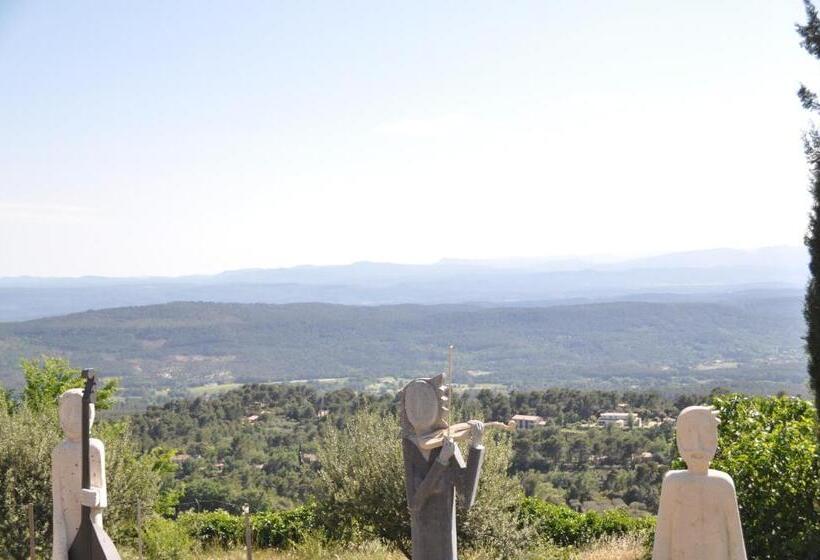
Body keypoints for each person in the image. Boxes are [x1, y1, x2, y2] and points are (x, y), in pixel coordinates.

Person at [400, 374, 485, 560]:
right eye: (412, 402)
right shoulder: (409, 445)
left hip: (444, 536)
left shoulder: (447, 444)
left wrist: (476, 445)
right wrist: (441, 462)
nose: (418, 409)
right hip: (421, 536)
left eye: (425, 401)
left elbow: (466, 498)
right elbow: (414, 503)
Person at [652, 406, 747, 560]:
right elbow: (662, 541)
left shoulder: (723, 485)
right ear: (679, 440)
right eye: (689, 435)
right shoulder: (672, 484)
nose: (698, 446)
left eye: (706, 435)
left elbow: (736, 542)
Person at [52, 388, 109, 560]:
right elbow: (57, 501)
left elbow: (102, 492)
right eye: (66, 412)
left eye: (77, 412)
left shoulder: (95, 448)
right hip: (67, 523)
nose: (71, 419)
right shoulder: (58, 452)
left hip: (91, 520)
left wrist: (97, 497)